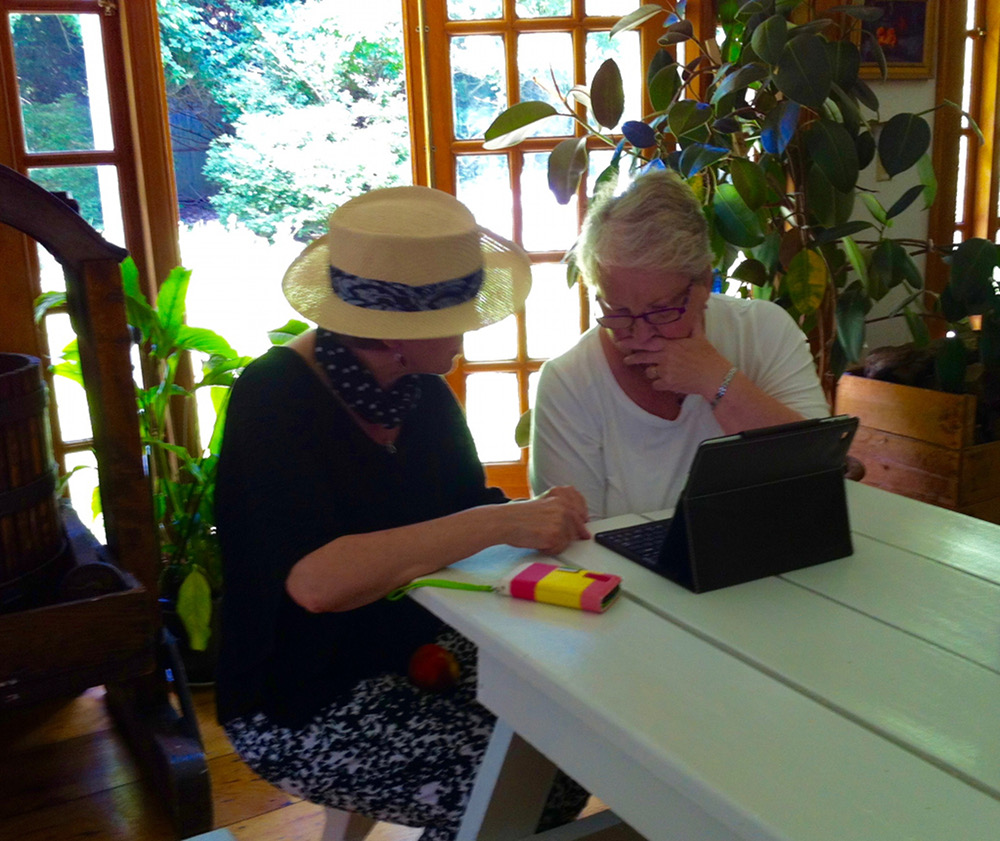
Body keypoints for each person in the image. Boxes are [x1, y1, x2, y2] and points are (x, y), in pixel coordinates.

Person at [214, 186, 591, 840]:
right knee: (531, 793)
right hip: (298, 694)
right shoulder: (273, 398)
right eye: (457, 314)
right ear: (397, 334)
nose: (471, 329)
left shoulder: (420, 394)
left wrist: (536, 516)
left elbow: (461, 509)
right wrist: (501, 522)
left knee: (572, 743)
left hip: (417, 645)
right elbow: (316, 582)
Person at [529, 168, 831, 519]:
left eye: (661, 311)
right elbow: (576, 539)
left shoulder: (763, 331)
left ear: (704, 282)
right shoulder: (568, 382)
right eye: (619, 313)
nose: (641, 335)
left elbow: (818, 472)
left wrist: (718, 382)